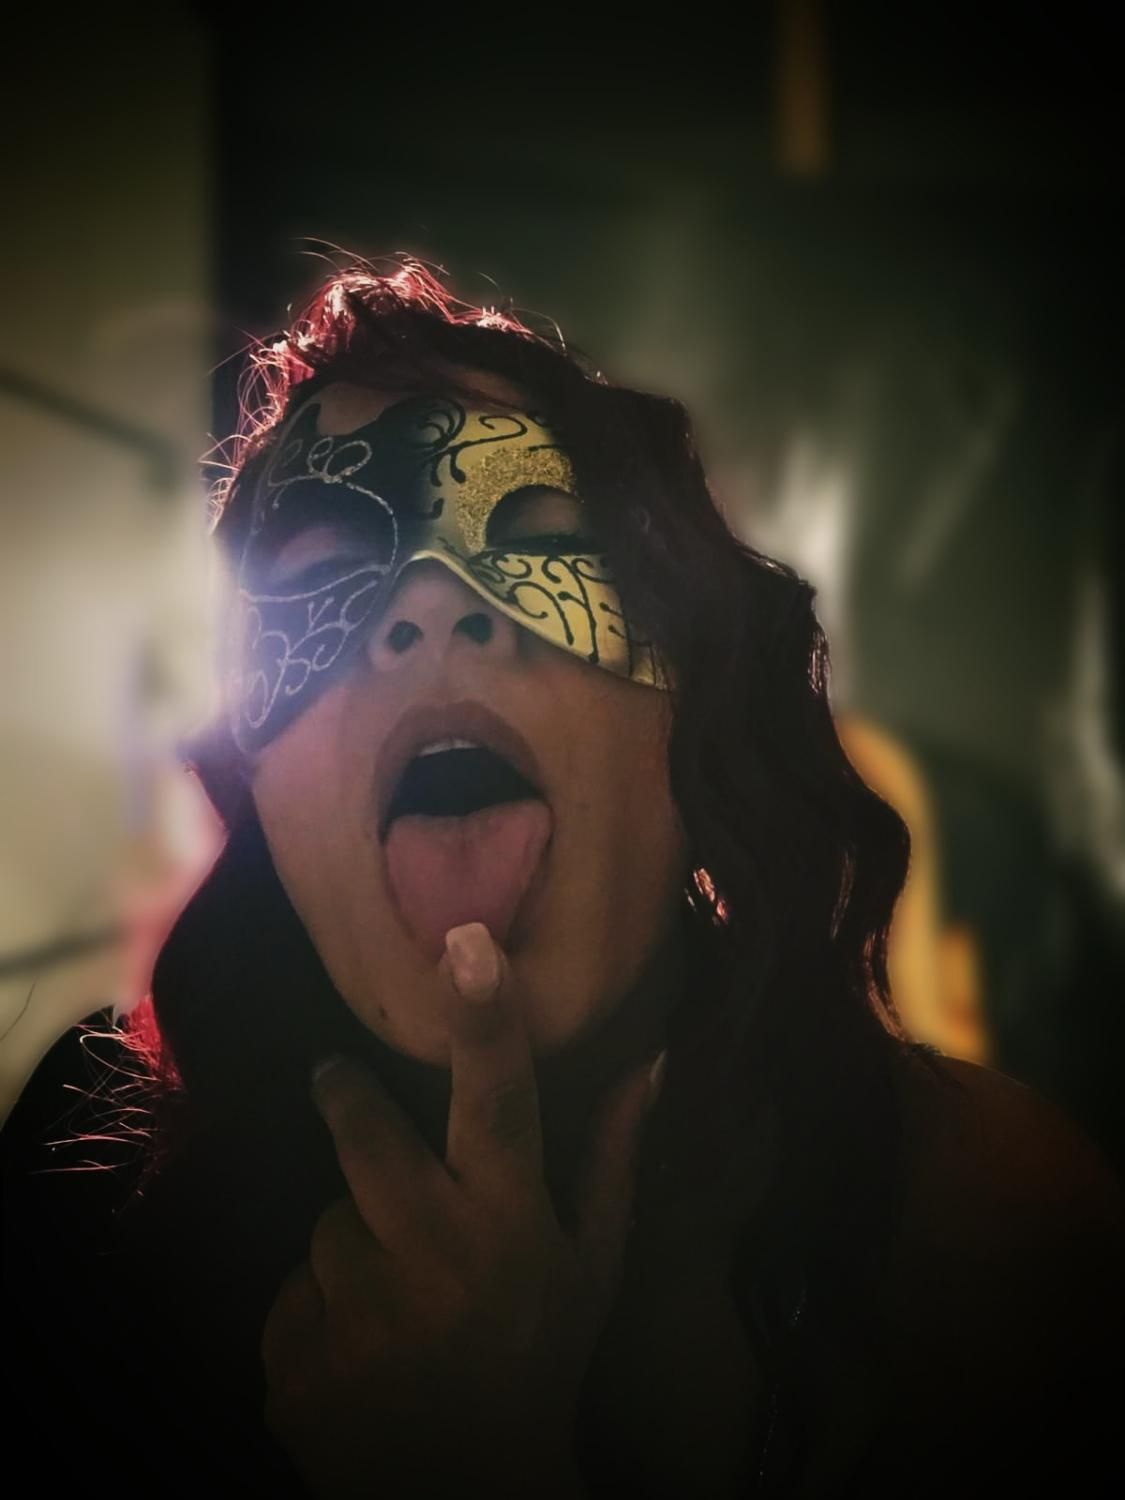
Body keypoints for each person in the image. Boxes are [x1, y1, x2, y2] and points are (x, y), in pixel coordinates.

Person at [3, 260, 1122, 1498]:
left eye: (544, 540)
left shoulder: (992, 1228)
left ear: (694, 710)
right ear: (254, 770)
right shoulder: (79, 1189)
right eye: (319, 568)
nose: (432, 616)